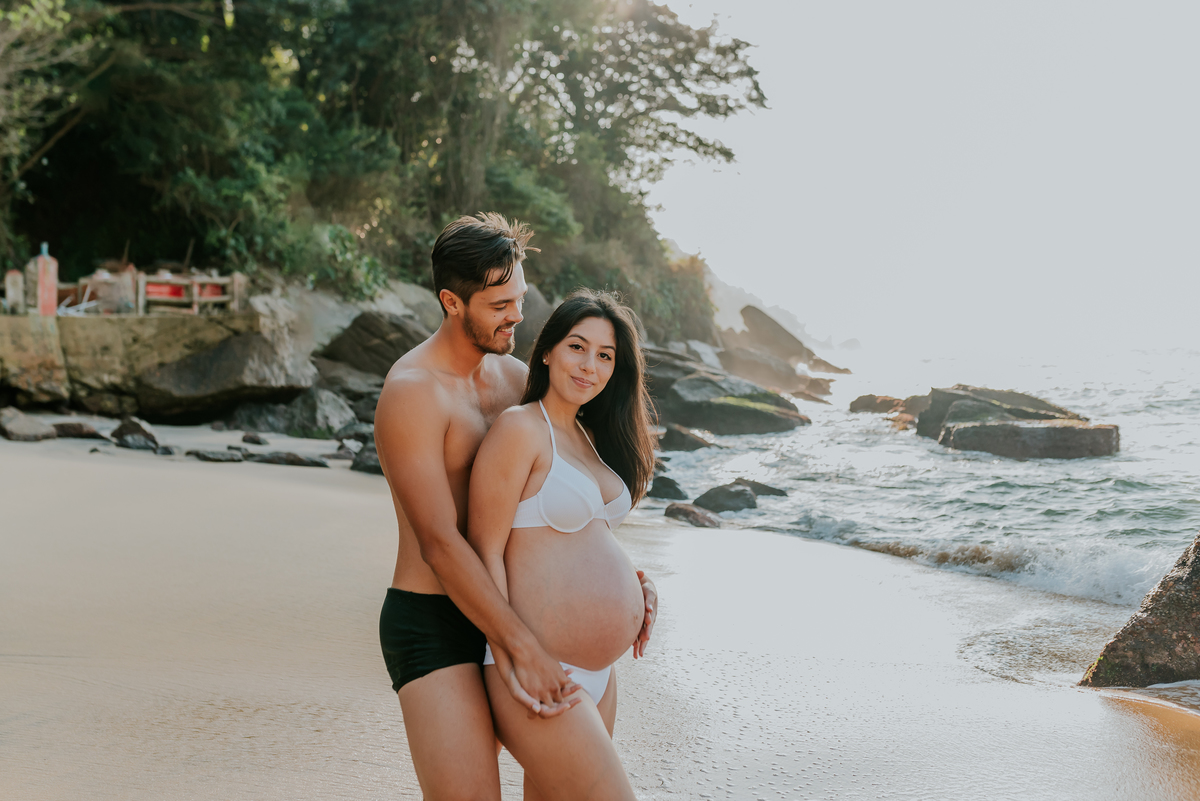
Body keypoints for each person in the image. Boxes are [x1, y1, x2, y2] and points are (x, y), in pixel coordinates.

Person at [373, 213, 658, 800]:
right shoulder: (412, 394)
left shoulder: (513, 376)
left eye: (521, 298)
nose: (518, 316)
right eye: (500, 304)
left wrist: (614, 576)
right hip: (438, 625)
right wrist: (517, 646)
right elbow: (441, 542)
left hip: (519, 612)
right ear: (453, 302)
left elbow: (544, 494)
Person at [468, 289, 656, 800]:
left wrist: (640, 586)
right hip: (541, 667)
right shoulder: (520, 429)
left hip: (600, 674)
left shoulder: (592, 439)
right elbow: (484, 552)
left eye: (604, 356)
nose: (589, 365)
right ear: (548, 349)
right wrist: (514, 656)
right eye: (577, 346)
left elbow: (582, 542)